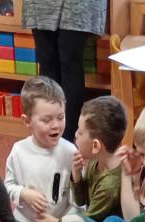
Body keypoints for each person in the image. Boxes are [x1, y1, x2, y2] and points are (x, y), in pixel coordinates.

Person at [4, 76, 78, 222]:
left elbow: (78, 201)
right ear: (27, 121)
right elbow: (7, 187)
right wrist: (24, 193)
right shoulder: (18, 151)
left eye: (61, 117)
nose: (56, 125)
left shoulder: (70, 153)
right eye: (46, 120)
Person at [23, 0, 107, 142]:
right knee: (46, 61)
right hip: (41, 5)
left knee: (70, 63)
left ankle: (68, 138)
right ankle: (46, 130)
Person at [72, 96, 127, 222]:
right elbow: (81, 201)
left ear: (96, 146)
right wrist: (77, 176)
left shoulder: (109, 186)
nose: (75, 134)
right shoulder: (95, 160)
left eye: (80, 132)